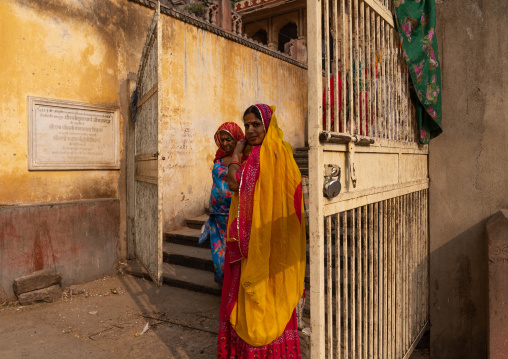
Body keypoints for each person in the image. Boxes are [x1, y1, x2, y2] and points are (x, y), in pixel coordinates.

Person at [217, 104, 307, 358]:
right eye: (246, 125)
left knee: (270, 298)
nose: (250, 129)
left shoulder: (274, 153)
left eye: (256, 124)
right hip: (253, 243)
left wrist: (235, 152)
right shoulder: (256, 155)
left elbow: (234, 182)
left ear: (267, 124)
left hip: (273, 242)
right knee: (253, 299)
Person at [209, 122, 245, 285]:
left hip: (235, 213)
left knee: (233, 252)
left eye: (228, 139)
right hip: (217, 214)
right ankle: (224, 284)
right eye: (222, 139)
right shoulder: (219, 156)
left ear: (236, 138)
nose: (225, 143)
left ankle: (233, 286)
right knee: (218, 254)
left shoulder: (244, 158)